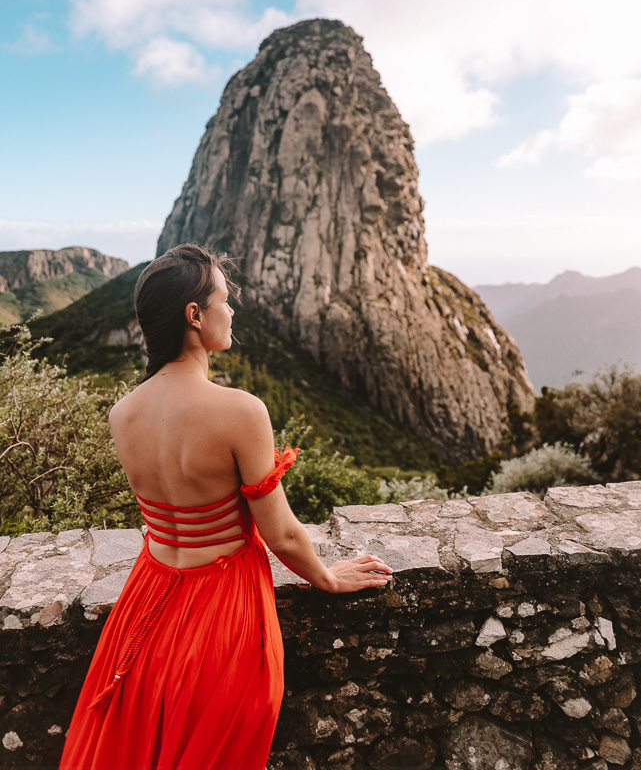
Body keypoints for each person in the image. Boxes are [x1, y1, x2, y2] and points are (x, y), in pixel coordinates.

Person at [59, 243, 392, 770]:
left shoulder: (123, 414)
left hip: (147, 603)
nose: (232, 309)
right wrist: (326, 577)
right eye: (224, 298)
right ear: (194, 316)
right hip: (223, 612)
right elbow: (280, 534)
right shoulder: (240, 411)